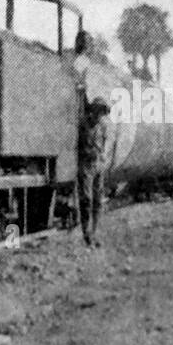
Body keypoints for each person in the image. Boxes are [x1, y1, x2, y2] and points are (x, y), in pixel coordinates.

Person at [79, 97, 111, 247]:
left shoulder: (103, 126)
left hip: (98, 165)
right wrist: (88, 152)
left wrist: (103, 155)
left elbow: (104, 144)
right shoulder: (84, 124)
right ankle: (86, 235)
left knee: (98, 200)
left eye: (102, 112)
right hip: (86, 164)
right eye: (97, 111)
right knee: (86, 199)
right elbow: (77, 146)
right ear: (93, 110)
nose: (99, 115)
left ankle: (94, 233)